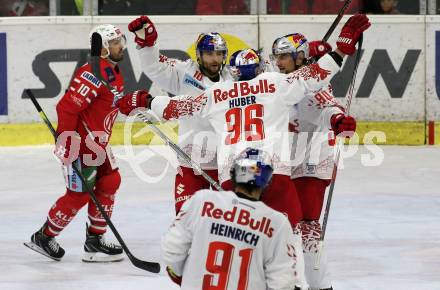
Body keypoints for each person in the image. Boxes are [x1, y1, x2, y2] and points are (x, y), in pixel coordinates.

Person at [25, 24, 126, 262]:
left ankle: (95, 240)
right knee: (79, 195)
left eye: (120, 41)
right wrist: (67, 139)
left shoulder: (111, 69)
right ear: (102, 49)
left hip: (97, 144)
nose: (121, 46)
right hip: (82, 145)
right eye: (114, 42)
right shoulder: (94, 72)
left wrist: (133, 104)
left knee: (111, 180)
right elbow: (67, 107)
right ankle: (44, 236)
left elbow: (109, 103)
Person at [271, 33, 356, 290]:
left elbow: (328, 106)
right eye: (277, 57)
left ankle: (320, 285)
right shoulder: (280, 80)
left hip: (310, 163)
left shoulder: (314, 82)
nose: (279, 62)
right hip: (282, 164)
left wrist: (338, 120)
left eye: (285, 56)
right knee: (281, 227)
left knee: (306, 229)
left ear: (299, 56)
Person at [127, 16, 236, 214]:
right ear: (199, 55)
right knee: (185, 219)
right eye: (209, 54)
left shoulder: (235, 78)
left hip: (226, 165)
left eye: (219, 54)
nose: (214, 59)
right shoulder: (185, 72)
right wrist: (147, 44)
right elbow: (155, 67)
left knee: (227, 224)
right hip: (191, 163)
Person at [161, 148, 303, 289]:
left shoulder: (201, 201)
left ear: (233, 174)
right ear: (267, 182)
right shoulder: (277, 223)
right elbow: (283, 282)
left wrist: (184, 276)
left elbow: (172, 250)